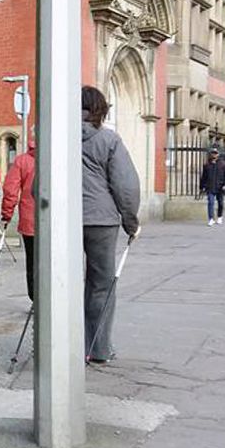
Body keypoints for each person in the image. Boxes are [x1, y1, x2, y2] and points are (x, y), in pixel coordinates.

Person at [81, 86, 141, 364]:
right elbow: (125, 186)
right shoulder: (108, 139)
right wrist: (131, 222)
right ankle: (98, 348)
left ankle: (66, 344)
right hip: (101, 221)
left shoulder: (55, 138)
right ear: (100, 110)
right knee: (101, 285)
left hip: (62, 221)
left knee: (60, 283)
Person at [0, 140, 37, 303]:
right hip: (55, 222)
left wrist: (7, 214)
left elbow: (11, 188)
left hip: (30, 221)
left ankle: (35, 297)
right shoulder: (57, 155)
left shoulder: (22, 160)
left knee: (32, 261)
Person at [200, 147, 225, 227]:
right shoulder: (206, 165)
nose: (214, 155)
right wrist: (201, 186)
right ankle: (211, 219)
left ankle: (219, 216)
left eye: (215, 153)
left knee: (220, 203)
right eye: (213, 153)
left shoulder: (223, 164)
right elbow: (203, 177)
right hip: (210, 187)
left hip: (220, 187)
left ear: (218, 154)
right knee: (211, 203)